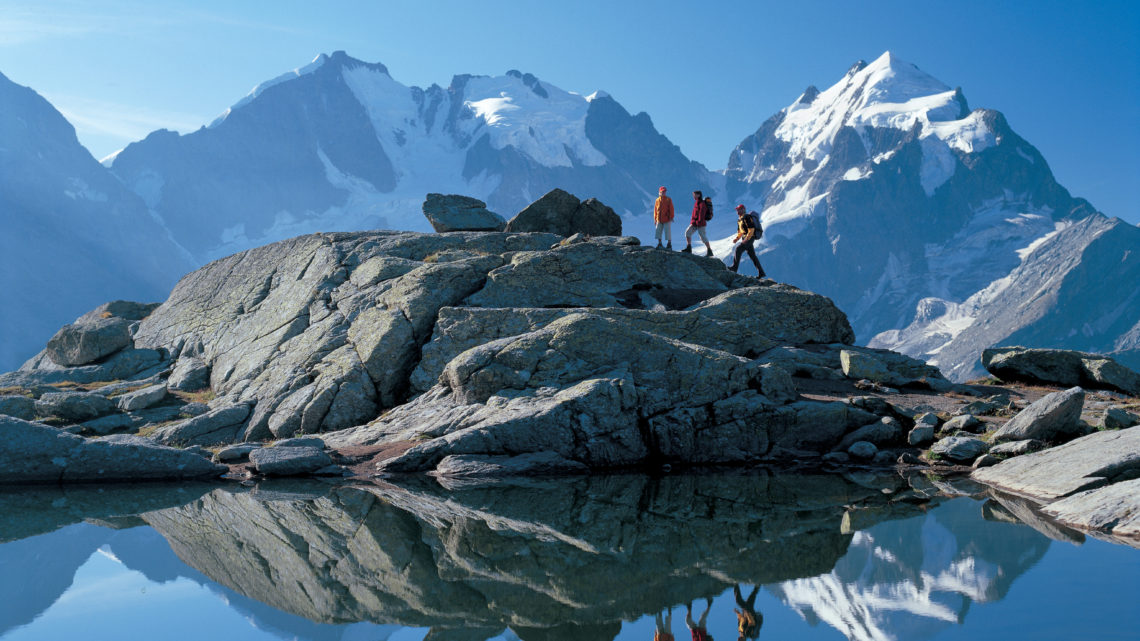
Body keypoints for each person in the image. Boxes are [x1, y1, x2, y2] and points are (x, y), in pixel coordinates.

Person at [729, 205, 766, 279]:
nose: (738, 211)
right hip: (745, 237)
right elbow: (740, 232)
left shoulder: (747, 217)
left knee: (738, 249)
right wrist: (737, 239)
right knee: (752, 255)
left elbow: (751, 229)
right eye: (737, 210)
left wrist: (746, 239)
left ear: (743, 210)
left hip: (749, 237)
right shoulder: (740, 220)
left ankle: (734, 268)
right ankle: (761, 272)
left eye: (739, 209)